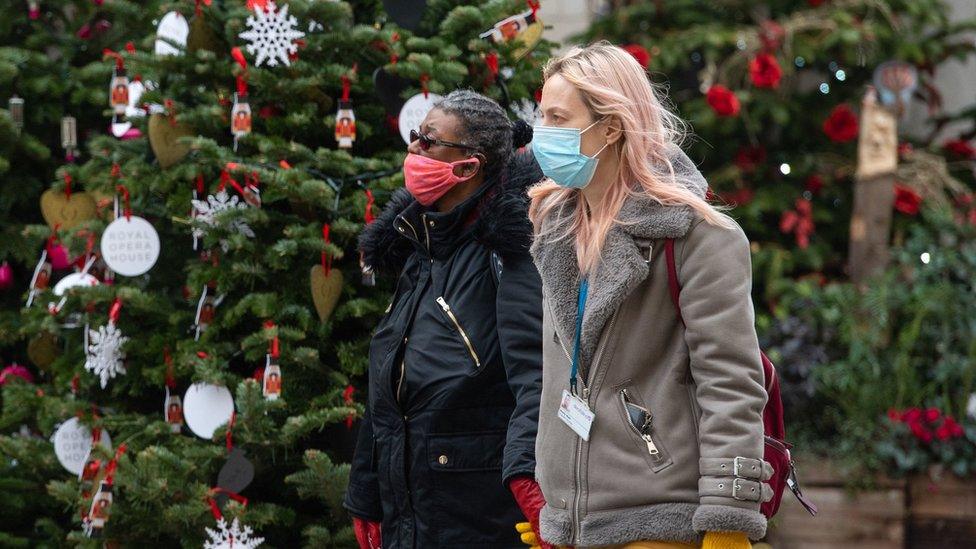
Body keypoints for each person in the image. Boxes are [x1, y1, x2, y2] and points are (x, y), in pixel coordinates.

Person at [526, 43, 771, 549]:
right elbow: (553, 381)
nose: (541, 134)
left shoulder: (700, 237)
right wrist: (554, 503)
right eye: (540, 116)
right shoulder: (555, 230)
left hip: (660, 523)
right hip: (573, 525)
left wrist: (728, 517)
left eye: (557, 117)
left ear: (610, 127)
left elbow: (731, 384)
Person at [344, 89, 547, 548]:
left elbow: (534, 378)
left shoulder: (509, 250)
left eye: (429, 141)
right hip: (411, 504)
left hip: (477, 508)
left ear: (468, 166)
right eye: (416, 136)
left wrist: (529, 484)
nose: (414, 148)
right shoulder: (421, 243)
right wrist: (365, 491)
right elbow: (388, 378)